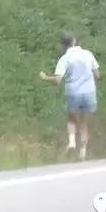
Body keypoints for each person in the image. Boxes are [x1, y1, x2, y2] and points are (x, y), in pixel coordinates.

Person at [39, 31, 100, 160]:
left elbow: (57, 80)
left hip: (73, 92)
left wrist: (45, 78)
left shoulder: (65, 58)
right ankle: (83, 153)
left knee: (71, 119)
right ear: (74, 42)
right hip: (89, 92)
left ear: (63, 45)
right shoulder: (88, 54)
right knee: (84, 123)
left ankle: (72, 142)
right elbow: (98, 75)